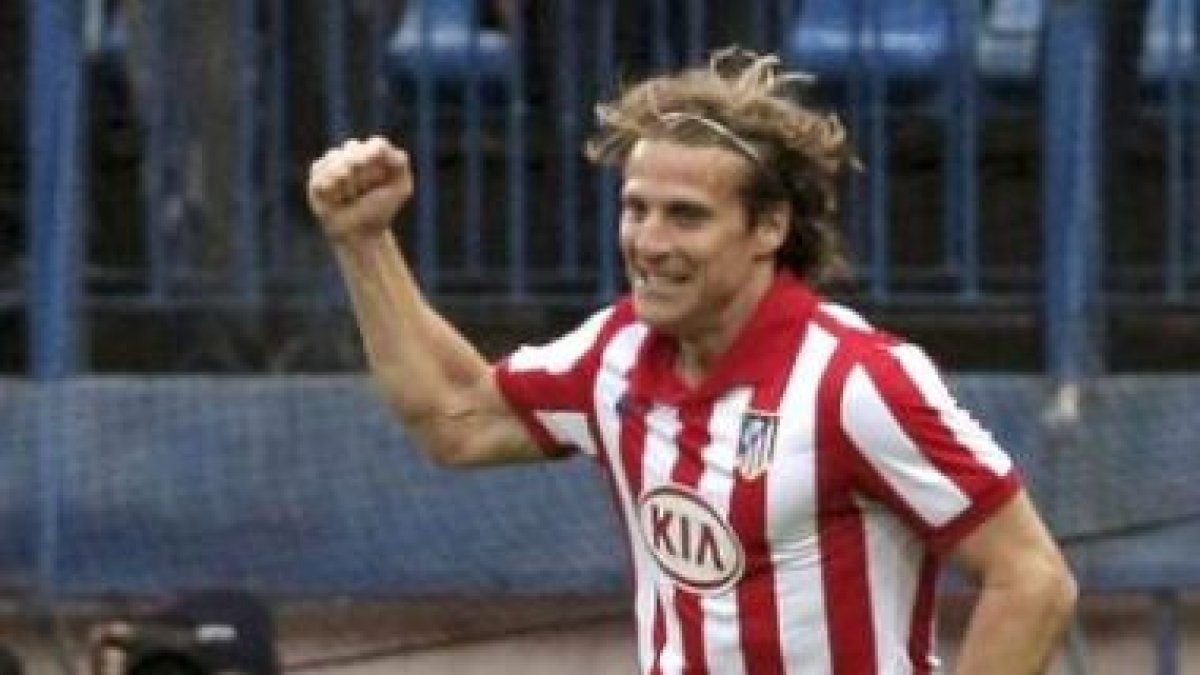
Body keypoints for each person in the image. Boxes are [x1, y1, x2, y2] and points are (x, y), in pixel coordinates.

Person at [307, 47, 1077, 674]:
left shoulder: (856, 381)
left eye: (687, 216)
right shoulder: (616, 353)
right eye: (636, 208)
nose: (649, 242)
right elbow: (457, 417)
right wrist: (364, 241)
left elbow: (1033, 580)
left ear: (769, 226)